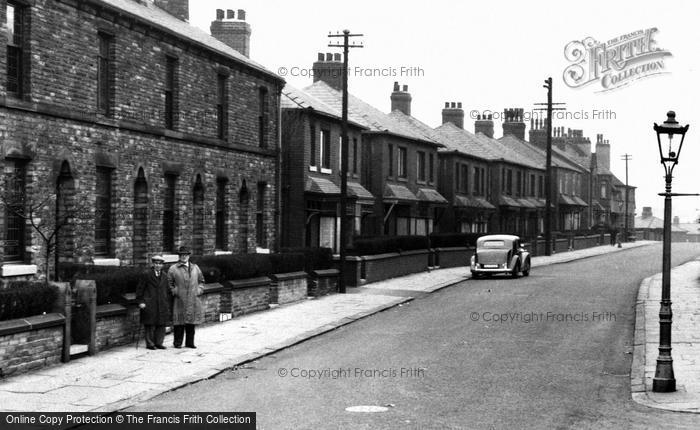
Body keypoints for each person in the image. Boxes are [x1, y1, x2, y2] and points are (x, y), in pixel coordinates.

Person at [167, 245, 204, 349]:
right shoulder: (173, 269)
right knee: (179, 322)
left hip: (193, 298)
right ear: (179, 256)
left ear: (189, 256)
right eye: (182, 255)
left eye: (186, 255)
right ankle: (177, 343)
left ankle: (190, 343)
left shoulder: (195, 267)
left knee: (191, 322)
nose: (184, 257)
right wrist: (175, 291)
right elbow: (169, 283)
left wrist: (199, 290)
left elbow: (201, 281)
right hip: (180, 299)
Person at [136, 255, 171, 350]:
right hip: (149, 303)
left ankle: (159, 342)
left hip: (161, 303)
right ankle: (150, 343)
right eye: (156, 263)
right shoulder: (146, 274)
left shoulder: (164, 275)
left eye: (160, 264)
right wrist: (141, 301)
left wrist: (167, 302)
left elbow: (167, 290)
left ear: (162, 265)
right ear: (153, 264)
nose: (158, 265)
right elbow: (140, 290)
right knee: (150, 324)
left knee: (161, 323)